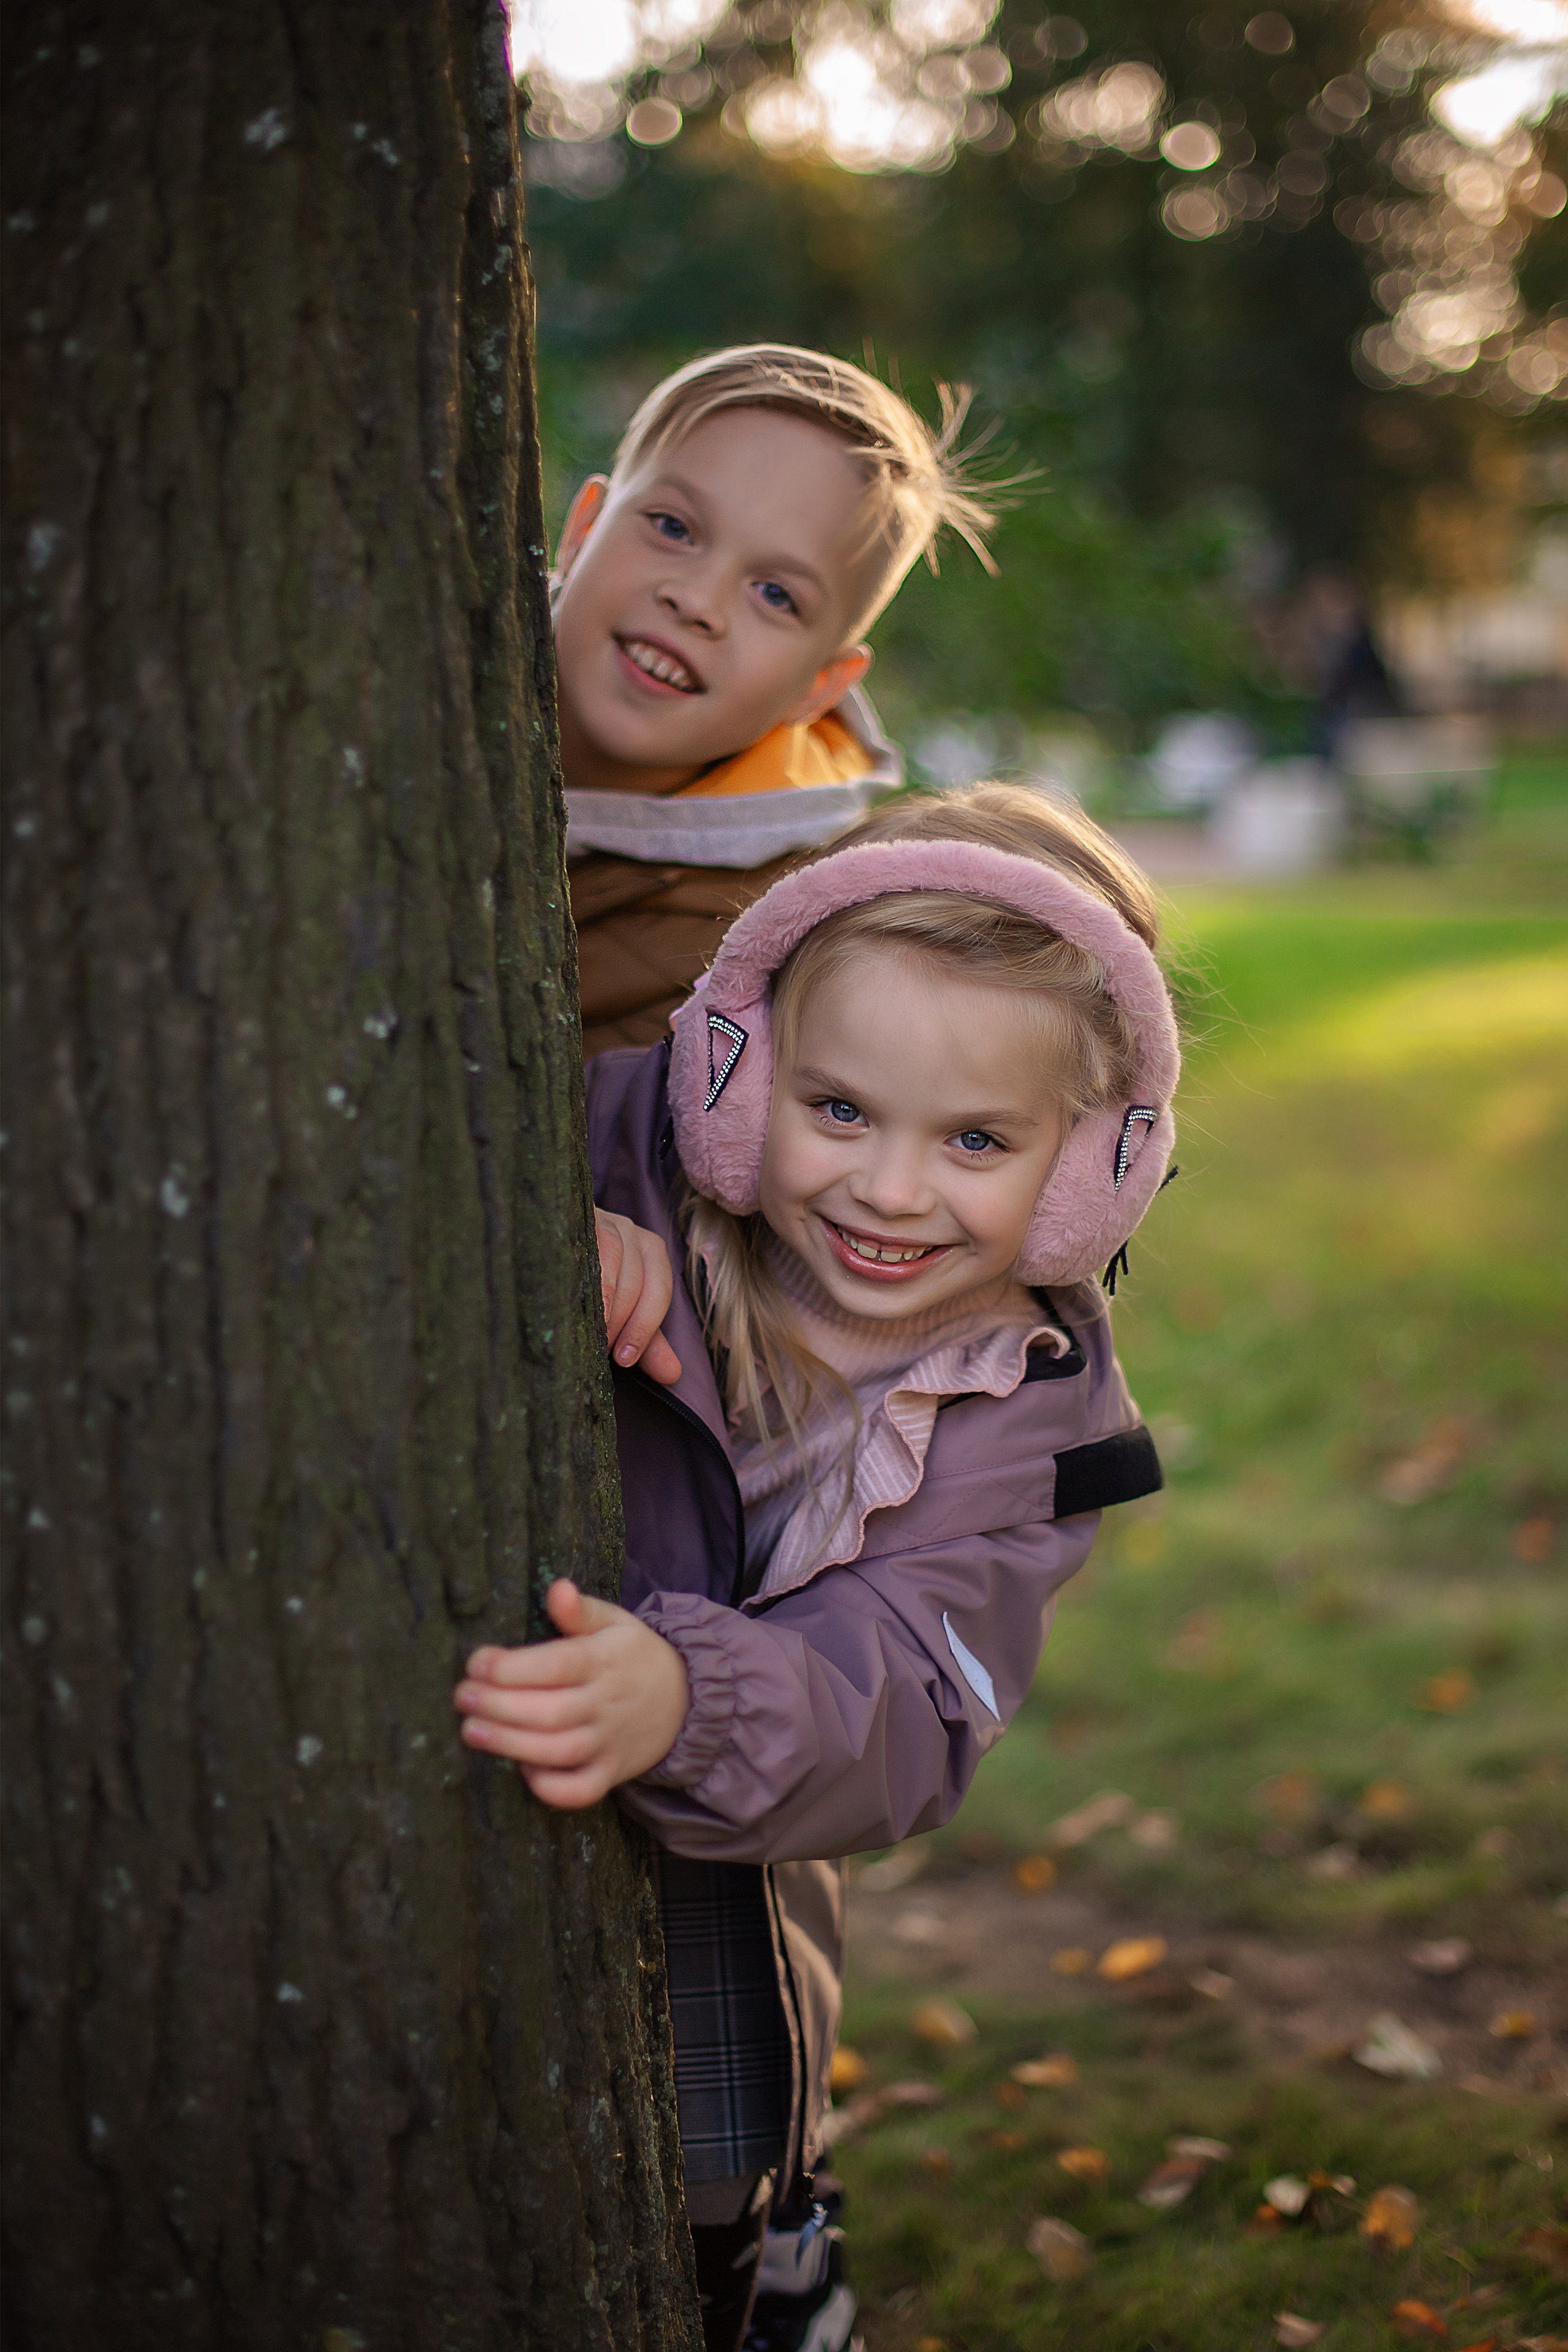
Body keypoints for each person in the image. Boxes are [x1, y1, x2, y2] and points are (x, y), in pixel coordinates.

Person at [454, 784, 1179, 2350]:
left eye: (976, 1140)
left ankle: (766, 2272)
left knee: (684, 2205)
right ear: (741, 1068)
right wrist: (551, 1218)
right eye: (837, 1108)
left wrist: (690, 1700)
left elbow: (909, 1713)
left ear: (1087, 1172)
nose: (889, 1189)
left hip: (721, 1877)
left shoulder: (1013, 1425)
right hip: (460, 1807)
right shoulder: (624, 1149)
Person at [554, 343, 1000, 1056]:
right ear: (581, 532)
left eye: (775, 595)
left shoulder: (758, 947)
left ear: (818, 688)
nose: (698, 602)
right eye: (673, 527)